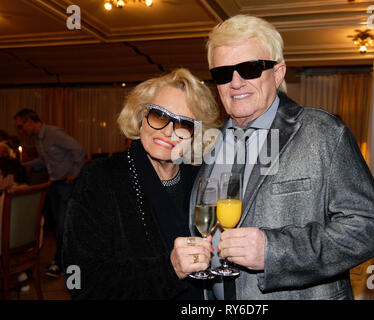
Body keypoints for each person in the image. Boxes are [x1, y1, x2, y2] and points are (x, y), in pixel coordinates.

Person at [188, 15, 374, 300]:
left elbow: (372, 228)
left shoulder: (323, 133)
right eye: (223, 73)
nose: (235, 82)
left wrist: (274, 251)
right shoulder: (210, 142)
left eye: (249, 68)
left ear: (278, 72)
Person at [62, 68, 221, 299]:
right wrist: (170, 269)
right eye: (159, 116)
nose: (168, 132)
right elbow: (80, 280)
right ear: (141, 116)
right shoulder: (99, 179)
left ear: (196, 134)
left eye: (184, 124)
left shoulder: (200, 178)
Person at [14, 109, 85, 278]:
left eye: (21, 126)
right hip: (55, 184)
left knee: (63, 225)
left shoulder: (53, 133)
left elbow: (79, 149)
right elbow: (45, 161)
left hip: (68, 185)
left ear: (30, 121)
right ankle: (64, 261)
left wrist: (74, 172)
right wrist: (25, 165)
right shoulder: (38, 139)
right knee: (58, 226)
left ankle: (60, 265)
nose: (21, 130)